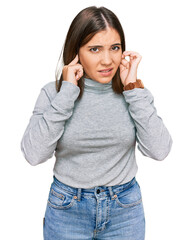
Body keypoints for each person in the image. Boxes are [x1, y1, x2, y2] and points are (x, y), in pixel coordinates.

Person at [20, 6, 173, 240]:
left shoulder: (135, 94)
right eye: (94, 49)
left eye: (115, 48)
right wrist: (68, 92)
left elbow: (160, 150)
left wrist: (132, 87)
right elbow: (33, 154)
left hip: (124, 210)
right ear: (76, 52)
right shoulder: (55, 94)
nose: (107, 60)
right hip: (67, 210)